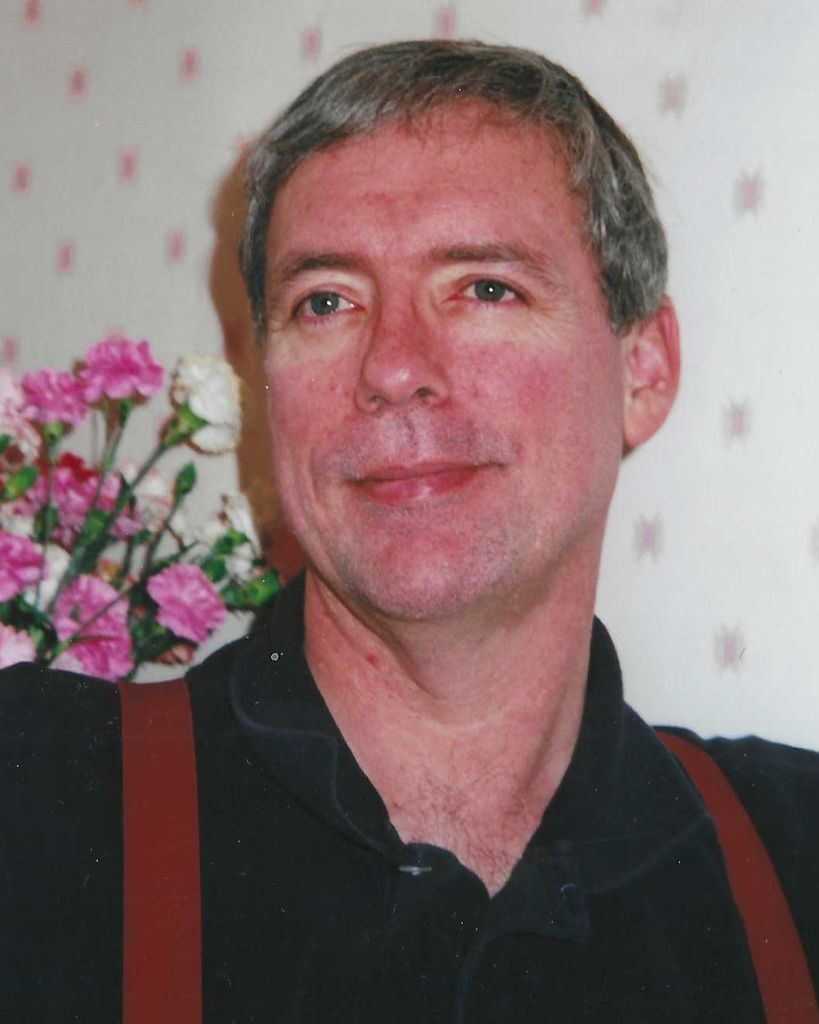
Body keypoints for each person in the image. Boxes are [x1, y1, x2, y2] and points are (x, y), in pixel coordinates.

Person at [2, 39, 818, 1023]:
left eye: (484, 287)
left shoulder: (795, 858)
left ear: (642, 370)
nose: (392, 367)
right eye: (326, 302)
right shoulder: (37, 800)